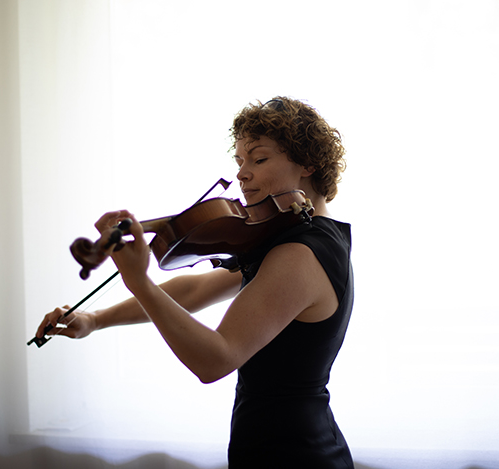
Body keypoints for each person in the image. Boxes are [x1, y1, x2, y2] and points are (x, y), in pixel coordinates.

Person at [36, 96, 354, 468]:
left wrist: (140, 282)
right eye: (239, 161)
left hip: (293, 453)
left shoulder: (301, 253)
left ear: (307, 164)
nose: (241, 173)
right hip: (284, 442)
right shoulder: (299, 238)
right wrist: (95, 319)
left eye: (259, 159)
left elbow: (215, 359)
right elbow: (197, 289)